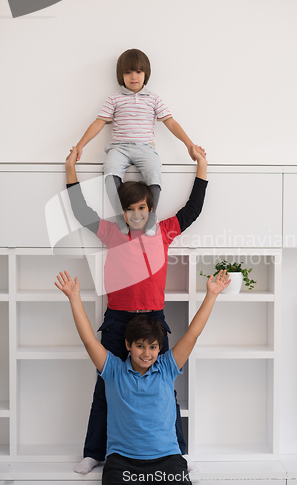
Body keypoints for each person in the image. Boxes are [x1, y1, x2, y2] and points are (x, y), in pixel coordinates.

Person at [65, 145, 208, 474]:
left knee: (164, 389)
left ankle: (176, 450)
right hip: (118, 322)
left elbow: (193, 209)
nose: (137, 215)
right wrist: (71, 168)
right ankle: (93, 451)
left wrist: (201, 165)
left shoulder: (165, 231)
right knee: (106, 387)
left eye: (142, 208)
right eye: (130, 209)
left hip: (154, 320)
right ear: (123, 211)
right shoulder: (112, 233)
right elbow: (80, 210)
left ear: (150, 208)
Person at [54, 269, 231, 484]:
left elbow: (192, 334)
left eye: (153, 347)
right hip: (122, 462)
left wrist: (211, 295)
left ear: (159, 348)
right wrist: (74, 298)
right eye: (140, 346)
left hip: (167, 459)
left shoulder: (167, 367)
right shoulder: (113, 370)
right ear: (128, 345)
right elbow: (89, 341)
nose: (146, 354)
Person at [74, 48, 205, 234]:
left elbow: (170, 122)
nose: (133, 76)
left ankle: (151, 217)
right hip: (119, 148)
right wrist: (80, 145)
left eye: (138, 71)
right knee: (110, 174)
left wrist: (189, 144)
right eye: (127, 72)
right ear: (121, 75)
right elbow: (99, 123)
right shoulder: (114, 99)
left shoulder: (153, 99)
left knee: (154, 172)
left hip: (145, 148)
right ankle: (121, 216)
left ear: (146, 74)